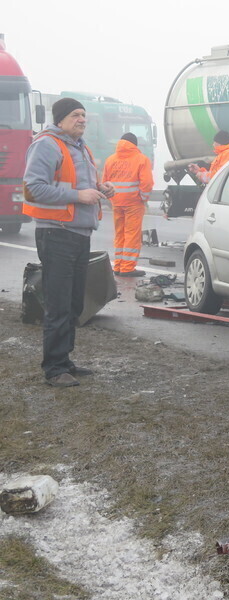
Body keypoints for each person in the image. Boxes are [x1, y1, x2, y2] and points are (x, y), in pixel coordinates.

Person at [22, 97, 115, 387]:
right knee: (59, 303)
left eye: (84, 115)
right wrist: (78, 195)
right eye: (76, 115)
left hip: (78, 233)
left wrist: (99, 189)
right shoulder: (47, 144)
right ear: (60, 118)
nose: (82, 119)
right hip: (56, 233)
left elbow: (78, 185)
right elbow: (33, 189)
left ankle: (65, 359)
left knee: (75, 303)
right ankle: (54, 368)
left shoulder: (79, 147)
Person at [102, 133, 154, 277]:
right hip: (134, 203)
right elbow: (147, 183)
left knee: (120, 234)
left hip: (116, 202)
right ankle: (127, 268)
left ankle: (118, 265)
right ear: (135, 145)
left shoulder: (110, 160)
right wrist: (143, 198)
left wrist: (112, 198)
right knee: (132, 235)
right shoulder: (142, 159)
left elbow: (104, 182)